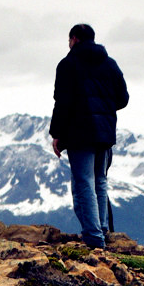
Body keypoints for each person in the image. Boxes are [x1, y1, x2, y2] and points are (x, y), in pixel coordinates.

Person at [49, 24, 128, 248]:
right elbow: (123, 98)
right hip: (105, 131)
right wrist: (104, 108)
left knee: (84, 182)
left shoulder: (68, 64)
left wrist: (57, 133)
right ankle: (101, 228)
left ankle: (93, 236)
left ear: (74, 39)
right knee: (100, 181)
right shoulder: (110, 63)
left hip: (79, 131)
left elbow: (62, 102)